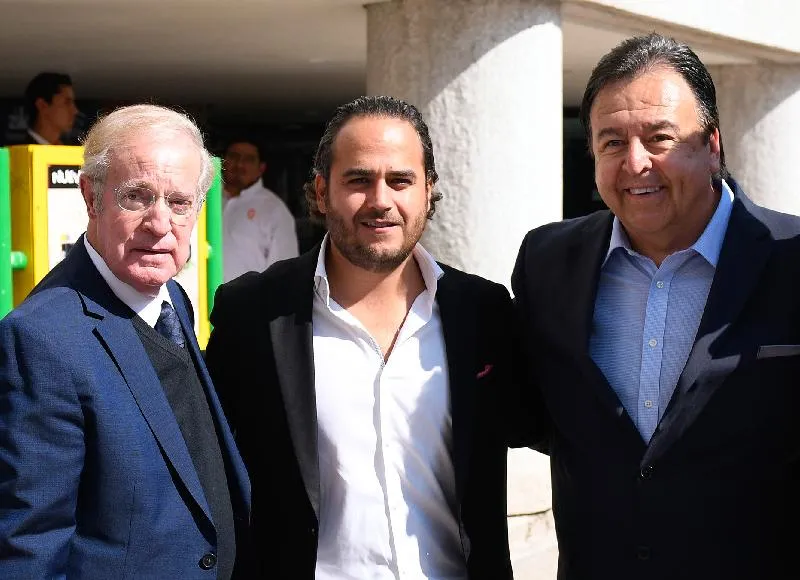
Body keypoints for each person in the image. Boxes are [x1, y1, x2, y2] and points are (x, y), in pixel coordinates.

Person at [512, 32, 800, 579]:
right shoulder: (548, 262)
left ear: (712, 145)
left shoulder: (792, 260)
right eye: (612, 142)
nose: (635, 162)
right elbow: (538, 413)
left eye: (659, 138)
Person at [206, 96, 518, 579]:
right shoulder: (253, 313)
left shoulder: (483, 312)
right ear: (321, 190)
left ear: (429, 190)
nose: (380, 200)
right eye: (358, 180)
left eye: (400, 180)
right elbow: (213, 470)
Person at [0, 105, 251, 579]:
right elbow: (29, 544)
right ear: (91, 198)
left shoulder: (171, 297)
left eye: (179, 203)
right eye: (137, 197)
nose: (160, 223)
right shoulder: (41, 339)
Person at [221, 136, 298, 281]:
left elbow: (284, 273)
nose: (239, 164)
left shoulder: (274, 209)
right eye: (234, 156)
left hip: (247, 295)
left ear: (261, 168)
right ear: (223, 160)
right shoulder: (203, 198)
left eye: (248, 159)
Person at [15, 71, 79, 145]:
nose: (75, 111)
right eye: (67, 102)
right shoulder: (17, 151)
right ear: (42, 105)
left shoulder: (69, 150)